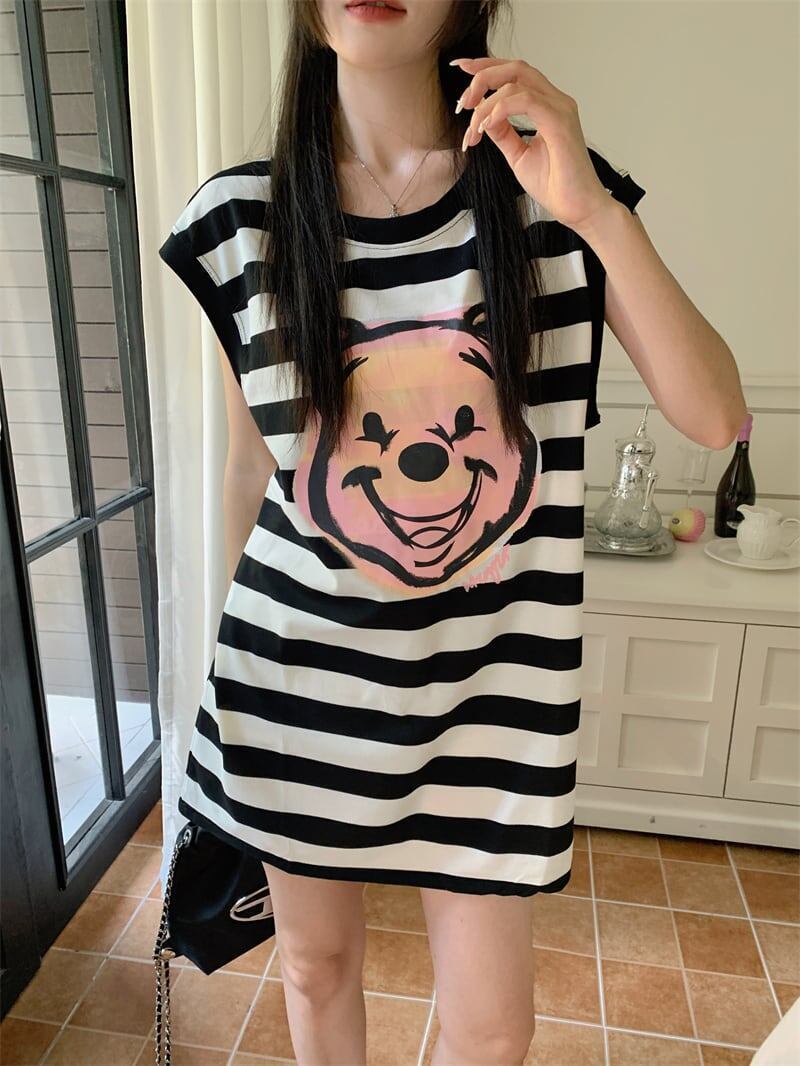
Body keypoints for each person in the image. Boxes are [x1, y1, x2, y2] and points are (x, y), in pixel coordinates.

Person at [158, 2, 747, 1063]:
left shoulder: (552, 201)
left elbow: (715, 416)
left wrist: (596, 210)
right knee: (314, 967)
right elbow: (254, 466)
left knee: (491, 1028)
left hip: (492, 701)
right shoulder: (240, 218)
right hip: (295, 684)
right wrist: (225, 674)